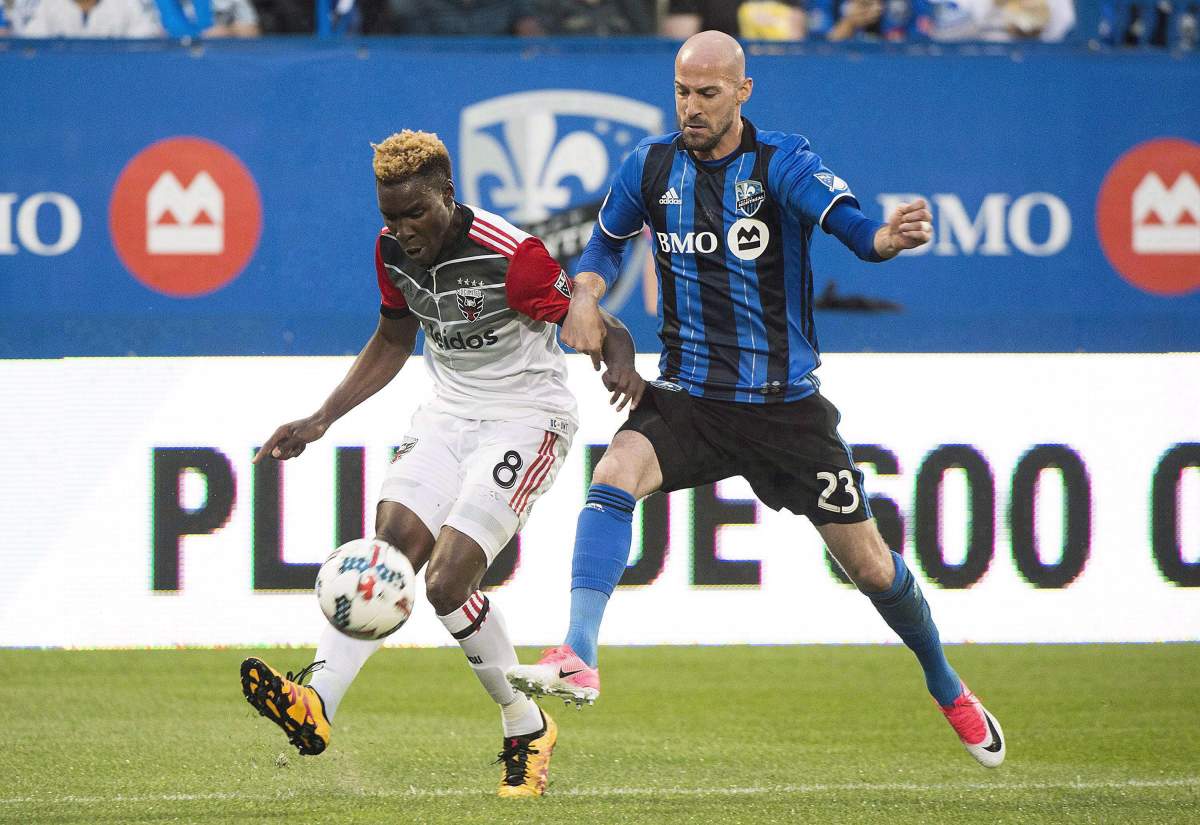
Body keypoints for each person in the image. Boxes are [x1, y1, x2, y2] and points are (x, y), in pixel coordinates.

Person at [506, 31, 1007, 770]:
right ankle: (580, 652)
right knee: (613, 473)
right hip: (692, 400)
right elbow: (606, 244)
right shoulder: (649, 166)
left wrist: (887, 242)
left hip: (784, 409)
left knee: (869, 566)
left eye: (708, 94)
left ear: (744, 92)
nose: (692, 108)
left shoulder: (784, 163)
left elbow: (855, 231)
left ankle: (946, 682)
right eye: (682, 92)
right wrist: (584, 291)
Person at [239, 130, 641, 798]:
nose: (402, 229)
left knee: (448, 581)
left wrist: (619, 352)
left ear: (448, 196)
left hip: (525, 417)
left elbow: (591, 314)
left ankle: (525, 724)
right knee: (389, 552)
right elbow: (393, 338)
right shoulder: (392, 251)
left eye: (415, 213)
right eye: (389, 216)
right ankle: (320, 700)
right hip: (449, 414)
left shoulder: (514, 257)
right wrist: (319, 419)